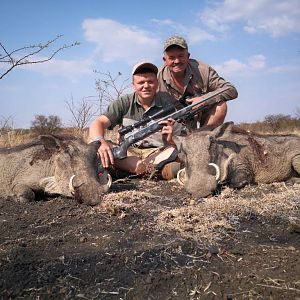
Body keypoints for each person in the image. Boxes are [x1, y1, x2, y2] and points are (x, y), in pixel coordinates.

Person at [88, 61, 182, 180]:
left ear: (157, 84)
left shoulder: (169, 104)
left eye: (150, 82)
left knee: (175, 150)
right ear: (133, 85)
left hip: (157, 152)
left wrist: (169, 140)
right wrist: (100, 141)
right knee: (97, 146)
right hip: (128, 153)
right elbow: (98, 123)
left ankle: (131, 170)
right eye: (141, 82)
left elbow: (178, 141)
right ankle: (155, 171)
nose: (146, 86)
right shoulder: (124, 102)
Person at [158, 35, 238, 128]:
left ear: (188, 56)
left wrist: (204, 100)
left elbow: (231, 89)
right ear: (165, 60)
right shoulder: (156, 78)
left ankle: (205, 138)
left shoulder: (203, 70)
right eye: (172, 58)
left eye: (181, 56)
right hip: (173, 124)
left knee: (221, 106)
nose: (177, 61)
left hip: (201, 118)